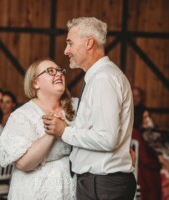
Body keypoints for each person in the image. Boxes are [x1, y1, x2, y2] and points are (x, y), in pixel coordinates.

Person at [42, 17, 136, 200]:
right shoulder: (101, 77)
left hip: (102, 186)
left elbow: (107, 139)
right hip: (101, 183)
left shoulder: (103, 79)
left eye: (70, 43)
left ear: (88, 43)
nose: (66, 51)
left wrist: (64, 131)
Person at [0, 59, 76, 199]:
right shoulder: (22, 115)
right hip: (35, 190)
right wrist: (51, 132)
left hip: (70, 187)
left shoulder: (76, 107)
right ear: (35, 83)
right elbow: (23, 163)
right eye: (50, 71)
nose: (58, 74)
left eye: (60, 70)